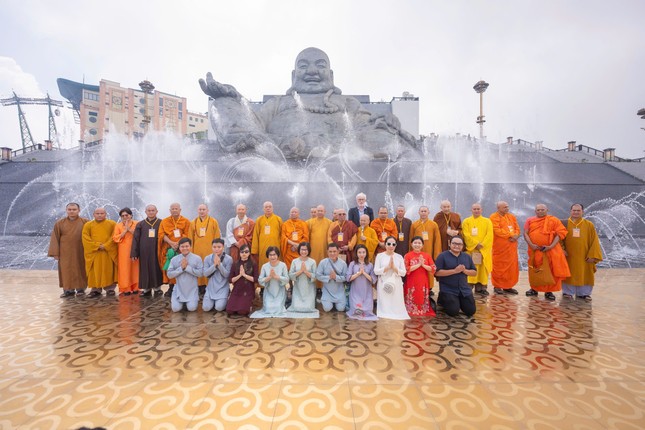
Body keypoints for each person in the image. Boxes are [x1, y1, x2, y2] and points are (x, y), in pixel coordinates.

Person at [199, 47, 416, 159]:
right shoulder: (279, 103)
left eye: (319, 65)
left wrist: (385, 122)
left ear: (330, 74)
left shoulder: (346, 102)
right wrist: (231, 98)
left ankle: (316, 150)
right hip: (279, 148)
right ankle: (286, 149)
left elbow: (365, 126)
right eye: (304, 66)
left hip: (341, 151)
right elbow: (252, 122)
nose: (312, 71)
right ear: (294, 74)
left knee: (386, 136)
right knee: (222, 105)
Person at [523, 204, 571, 300]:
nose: (540, 211)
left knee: (550, 270)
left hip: (550, 250)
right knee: (535, 269)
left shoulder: (554, 220)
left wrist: (550, 246)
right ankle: (534, 289)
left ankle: (549, 291)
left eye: (542, 209)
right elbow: (525, 233)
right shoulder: (530, 220)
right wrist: (531, 245)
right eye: (538, 210)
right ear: (535, 211)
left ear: (547, 210)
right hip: (535, 250)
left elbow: (560, 233)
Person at [561, 204, 603, 301]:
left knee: (585, 272)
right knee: (568, 272)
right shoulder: (564, 224)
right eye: (574, 210)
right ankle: (567, 292)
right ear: (570, 211)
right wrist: (561, 250)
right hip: (569, 255)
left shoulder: (589, 225)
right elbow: (559, 238)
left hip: (585, 255)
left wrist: (593, 255)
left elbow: (594, 241)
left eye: (578, 211)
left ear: (582, 212)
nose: (576, 212)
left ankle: (584, 293)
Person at [48, 202, 88, 298]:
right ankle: (68, 290)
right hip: (65, 252)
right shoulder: (60, 223)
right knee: (66, 270)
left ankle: (80, 289)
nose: (72, 211)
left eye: (74, 209)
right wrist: (55, 253)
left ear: (79, 210)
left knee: (80, 269)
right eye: (69, 209)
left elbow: (90, 236)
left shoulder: (85, 222)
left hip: (80, 251)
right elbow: (55, 238)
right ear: (66, 210)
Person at [435, 236, 477, 317]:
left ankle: (459, 302)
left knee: (471, 311)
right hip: (449, 289)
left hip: (464, 289)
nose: (457, 246)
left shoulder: (467, 256)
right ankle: (442, 300)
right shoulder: (442, 256)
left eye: (460, 244)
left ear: (462, 246)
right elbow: (437, 273)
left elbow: (474, 272)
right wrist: (454, 271)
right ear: (449, 244)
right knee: (453, 312)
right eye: (454, 243)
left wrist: (465, 271)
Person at [82, 207, 118, 298]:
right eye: (97, 213)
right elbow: (85, 238)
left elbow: (114, 236)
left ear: (105, 214)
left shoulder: (112, 224)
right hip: (94, 253)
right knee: (94, 271)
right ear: (94, 214)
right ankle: (95, 290)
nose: (99, 215)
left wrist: (106, 245)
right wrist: (97, 246)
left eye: (102, 213)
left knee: (108, 270)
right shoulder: (88, 225)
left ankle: (110, 289)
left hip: (107, 252)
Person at [158, 203, 191, 297]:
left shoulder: (186, 221)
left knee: (182, 266)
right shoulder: (164, 221)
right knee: (170, 267)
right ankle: (171, 287)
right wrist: (171, 243)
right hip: (169, 248)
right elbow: (161, 234)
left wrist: (178, 244)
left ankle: (182, 287)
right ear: (170, 210)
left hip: (182, 249)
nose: (174, 210)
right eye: (172, 209)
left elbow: (187, 234)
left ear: (180, 210)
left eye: (176, 209)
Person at [188, 203, 221, 295]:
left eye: (203, 209)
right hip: (197, 251)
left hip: (210, 251)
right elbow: (190, 238)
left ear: (207, 210)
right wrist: (190, 252)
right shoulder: (193, 222)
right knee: (198, 268)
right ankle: (199, 286)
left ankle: (210, 286)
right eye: (200, 209)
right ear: (197, 210)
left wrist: (217, 251)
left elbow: (217, 237)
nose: (202, 211)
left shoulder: (213, 221)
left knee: (210, 267)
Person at [131, 204, 164, 296]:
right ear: (145, 212)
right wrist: (134, 253)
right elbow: (136, 239)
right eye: (149, 210)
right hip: (144, 252)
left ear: (156, 212)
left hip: (157, 250)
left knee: (156, 268)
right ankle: (146, 289)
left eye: (153, 210)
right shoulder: (140, 224)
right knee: (145, 269)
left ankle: (157, 288)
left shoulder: (161, 223)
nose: (151, 212)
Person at [461, 203, 494, 296]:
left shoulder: (487, 221)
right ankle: (469, 287)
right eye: (474, 209)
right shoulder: (466, 221)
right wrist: (475, 244)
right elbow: (466, 235)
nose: (476, 210)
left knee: (483, 269)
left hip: (483, 250)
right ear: (471, 210)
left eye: (478, 209)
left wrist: (482, 245)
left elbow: (490, 235)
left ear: (481, 210)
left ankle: (482, 288)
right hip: (471, 250)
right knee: (470, 268)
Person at [374, 236, 409, 320]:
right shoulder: (379, 256)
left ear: (396, 245)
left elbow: (403, 273)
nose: (391, 246)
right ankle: (384, 311)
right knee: (385, 302)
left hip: (396, 282)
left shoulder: (399, 257)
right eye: (388, 244)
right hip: (383, 281)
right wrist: (387, 267)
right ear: (385, 245)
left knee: (396, 302)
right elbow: (376, 271)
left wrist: (394, 268)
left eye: (393, 244)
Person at [489, 201, 520, 295]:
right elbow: (497, 230)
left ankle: (508, 286)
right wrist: (510, 235)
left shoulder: (511, 216)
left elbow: (517, 228)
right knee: (499, 266)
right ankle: (497, 286)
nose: (507, 208)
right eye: (505, 207)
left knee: (511, 267)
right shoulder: (493, 217)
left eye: (507, 207)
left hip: (511, 247)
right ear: (498, 208)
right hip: (500, 248)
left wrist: (516, 235)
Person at [409, 206, 442, 293]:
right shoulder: (414, 224)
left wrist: (436, 254)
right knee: (417, 270)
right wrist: (410, 253)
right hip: (416, 252)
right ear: (419, 212)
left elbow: (437, 240)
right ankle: (418, 286)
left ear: (428, 212)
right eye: (422, 211)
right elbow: (411, 239)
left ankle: (429, 288)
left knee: (428, 269)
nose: (423, 213)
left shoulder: (433, 224)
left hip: (429, 251)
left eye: (425, 211)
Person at [250, 247, 289, 318]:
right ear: (268, 256)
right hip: (269, 292)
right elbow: (260, 280)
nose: (272, 257)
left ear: (277, 255)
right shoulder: (265, 266)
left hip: (280, 291)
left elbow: (287, 279)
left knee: (277, 308)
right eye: (270, 255)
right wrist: (269, 277)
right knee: (268, 308)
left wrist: (276, 276)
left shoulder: (283, 265)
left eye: (274, 254)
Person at [166, 238, 203, 312]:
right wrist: (181, 269)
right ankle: (180, 302)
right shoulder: (174, 259)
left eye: (187, 246)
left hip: (192, 290)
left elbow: (201, 273)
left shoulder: (197, 258)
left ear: (190, 247)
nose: (185, 248)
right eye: (182, 246)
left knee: (191, 308)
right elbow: (169, 274)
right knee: (176, 309)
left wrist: (187, 268)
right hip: (179, 289)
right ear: (179, 248)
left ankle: (189, 302)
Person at [404, 236, 437, 317]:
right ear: (411, 244)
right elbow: (406, 269)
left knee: (421, 295)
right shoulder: (407, 255)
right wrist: (419, 264)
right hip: (411, 280)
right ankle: (410, 308)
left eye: (419, 243)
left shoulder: (427, 255)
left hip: (423, 280)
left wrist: (423, 265)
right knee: (412, 294)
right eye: (415, 243)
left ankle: (422, 309)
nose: (417, 245)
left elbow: (433, 268)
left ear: (422, 245)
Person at [112, 207, 139, 296]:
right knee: (124, 269)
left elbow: (140, 236)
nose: (124, 217)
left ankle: (136, 288)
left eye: (126, 215)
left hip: (135, 248)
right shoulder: (118, 225)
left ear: (131, 215)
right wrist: (124, 231)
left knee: (135, 268)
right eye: (122, 216)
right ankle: (125, 288)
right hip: (123, 250)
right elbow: (115, 238)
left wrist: (130, 230)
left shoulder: (137, 223)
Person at [346, 244, 377, 320]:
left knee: (367, 312)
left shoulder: (370, 265)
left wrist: (364, 273)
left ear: (366, 253)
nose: (361, 254)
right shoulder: (352, 264)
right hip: (355, 291)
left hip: (367, 292)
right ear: (356, 253)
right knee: (357, 311)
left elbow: (373, 280)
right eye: (359, 252)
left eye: (363, 252)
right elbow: (348, 278)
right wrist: (358, 273)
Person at [287, 242, 319, 317]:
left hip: (309, 289)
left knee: (308, 308)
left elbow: (315, 277)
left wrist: (306, 272)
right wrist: (300, 271)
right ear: (299, 250)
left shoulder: (312, 262)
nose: (304, 251)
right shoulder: (294, 261)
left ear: (309, 250)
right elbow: (290, 276)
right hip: (298, 289)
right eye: (302, 249)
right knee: (297, 308)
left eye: (306, 250)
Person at [202, 238, 233, 312]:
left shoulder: (228, 259)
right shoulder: (207, 258)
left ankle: (226, 295)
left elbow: (227, 275)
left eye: (219, 247)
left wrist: (219, 265)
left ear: (223, 247)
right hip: (211, 288)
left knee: (219, 308)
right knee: (206, 308)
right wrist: (214, 265)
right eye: (214, 247)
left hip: (222, 287)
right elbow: (205, 274)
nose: (216, 249)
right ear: (211, 247)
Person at [316, 243, 348, 312]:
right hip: (327, 291)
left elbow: (346, 277)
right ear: (327, 252)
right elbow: (318, 275)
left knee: (341, 309)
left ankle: (336, 303)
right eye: (330, 251)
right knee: (327, 309)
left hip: (339, 291)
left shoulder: (343, 263)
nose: (332, 253)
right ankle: (326, 301)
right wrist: (328, 277)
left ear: (338, 252)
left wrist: (336, 277)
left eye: (334, 251)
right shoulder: (323, 262)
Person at [226, 244, 258, 315]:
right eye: (242, 252)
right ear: (239, 253)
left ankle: (249, 305)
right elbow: (230, 280)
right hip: (237, 290)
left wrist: (244, 275)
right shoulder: (235, 264)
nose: (244, 254)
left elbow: (256, 279)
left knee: (242, 312)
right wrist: (240, 275)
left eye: (246, 252)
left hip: (248, 290)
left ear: (249, 253)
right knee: (229, 311)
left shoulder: (253, 264)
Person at [251, 201, 283, 270]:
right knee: (263, 264)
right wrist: (254, 250)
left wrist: (282, 247)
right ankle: (264, 279)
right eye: (266, 207)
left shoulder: (278, 219)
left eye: (270, 207)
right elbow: (256, 235)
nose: (268, 208)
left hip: (276, 246)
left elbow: (282, 235)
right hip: (263, 247)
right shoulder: (259, 220)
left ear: (273, 208)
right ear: (263, 209)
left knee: (276, 263)